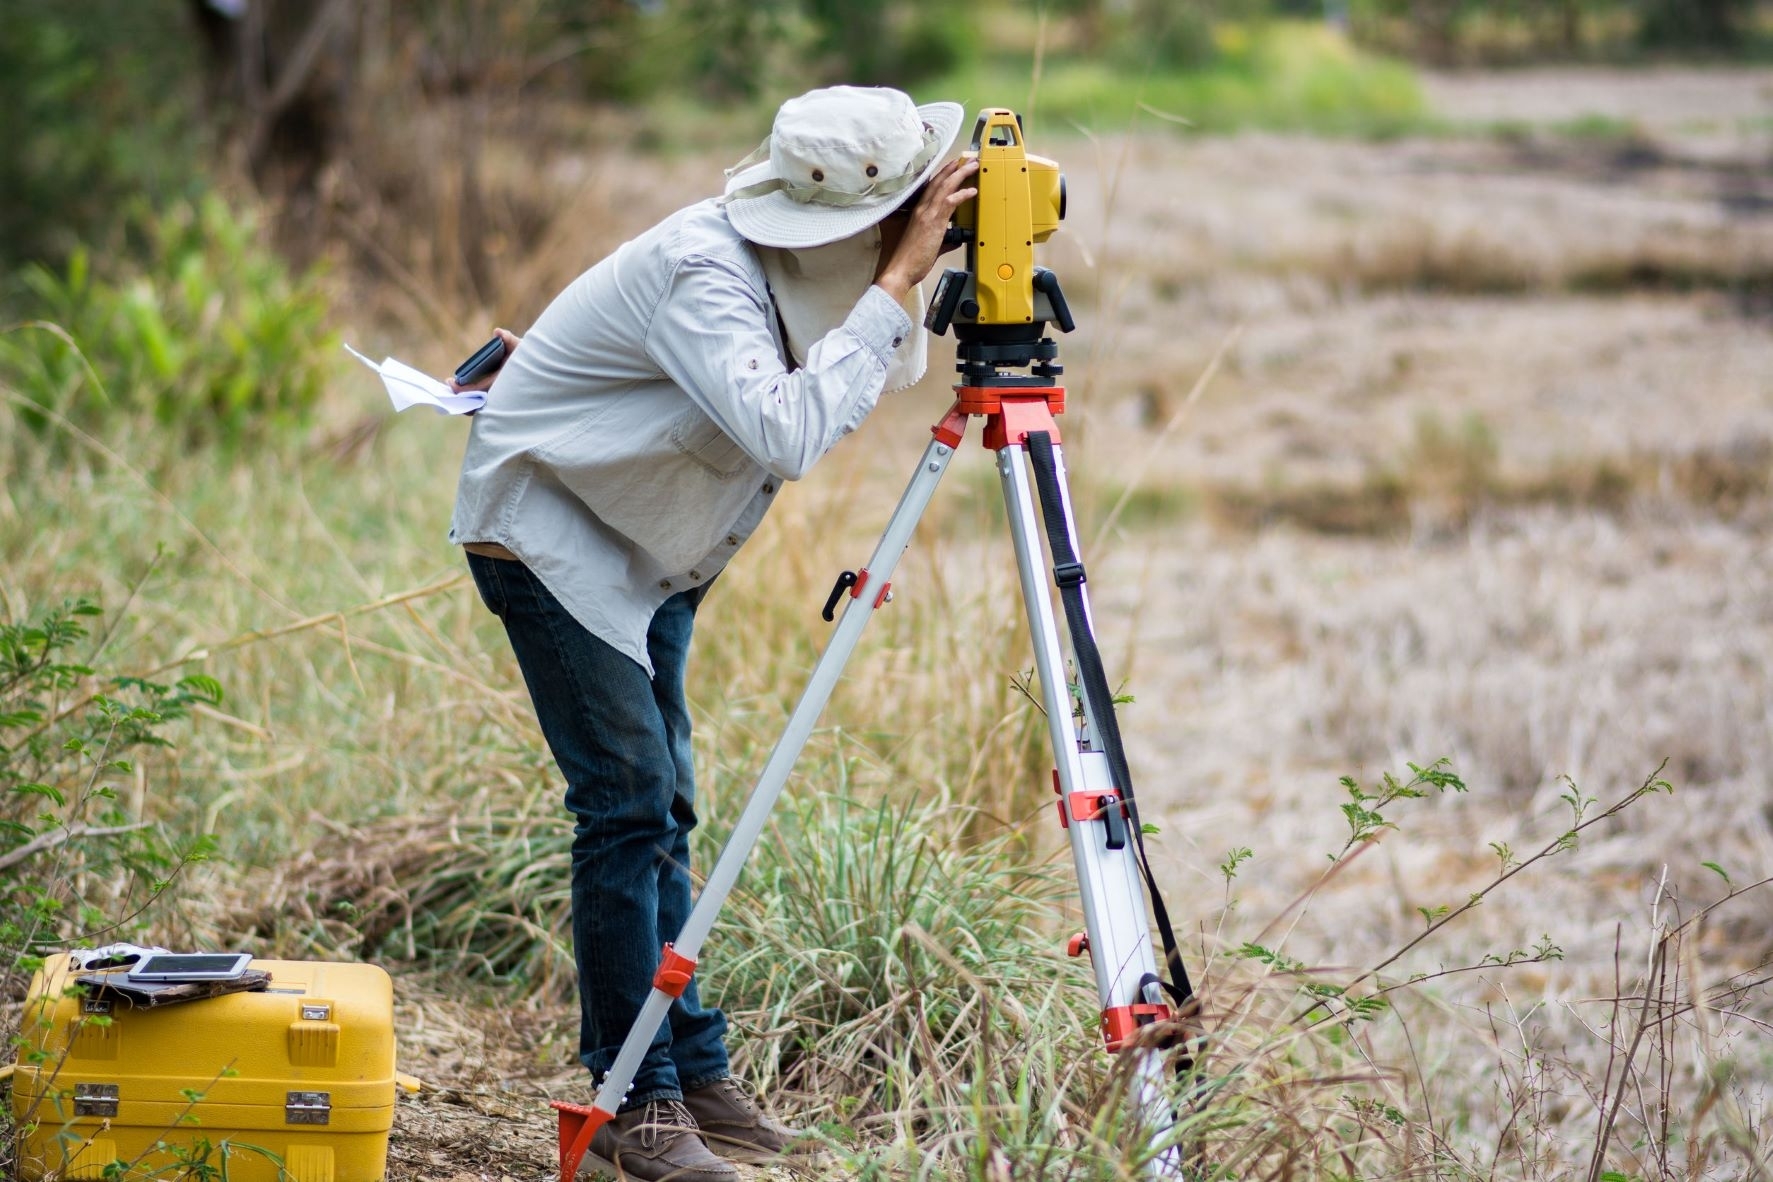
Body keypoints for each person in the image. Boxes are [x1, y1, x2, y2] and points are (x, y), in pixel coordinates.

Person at [448, 86, 977, 1182]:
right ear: (852, 217)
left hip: (646, 549)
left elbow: (854, 367)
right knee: (628, 805)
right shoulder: (708, 276)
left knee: (669, 804)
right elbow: (786, 430)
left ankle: (690, 1071)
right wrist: (893, 278)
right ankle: (627, 1099)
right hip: (550, 539)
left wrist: (900, 276)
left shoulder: (789, 270)